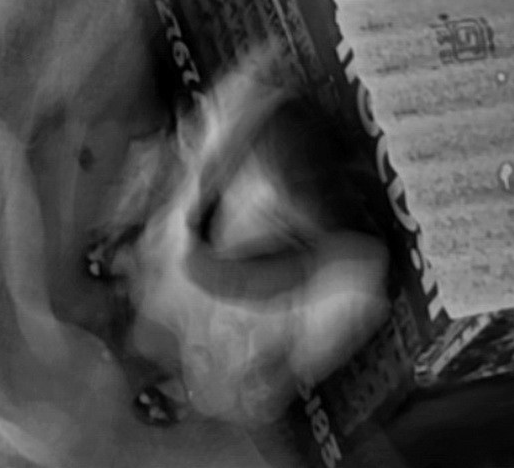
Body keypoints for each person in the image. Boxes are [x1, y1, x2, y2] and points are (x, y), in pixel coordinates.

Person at [96, 50, 395, 428]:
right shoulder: (243, 384)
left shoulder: (161, 268)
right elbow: (356, 277)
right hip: (308, 215)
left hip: (275, 162)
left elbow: (201, 168)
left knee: (204, 252)